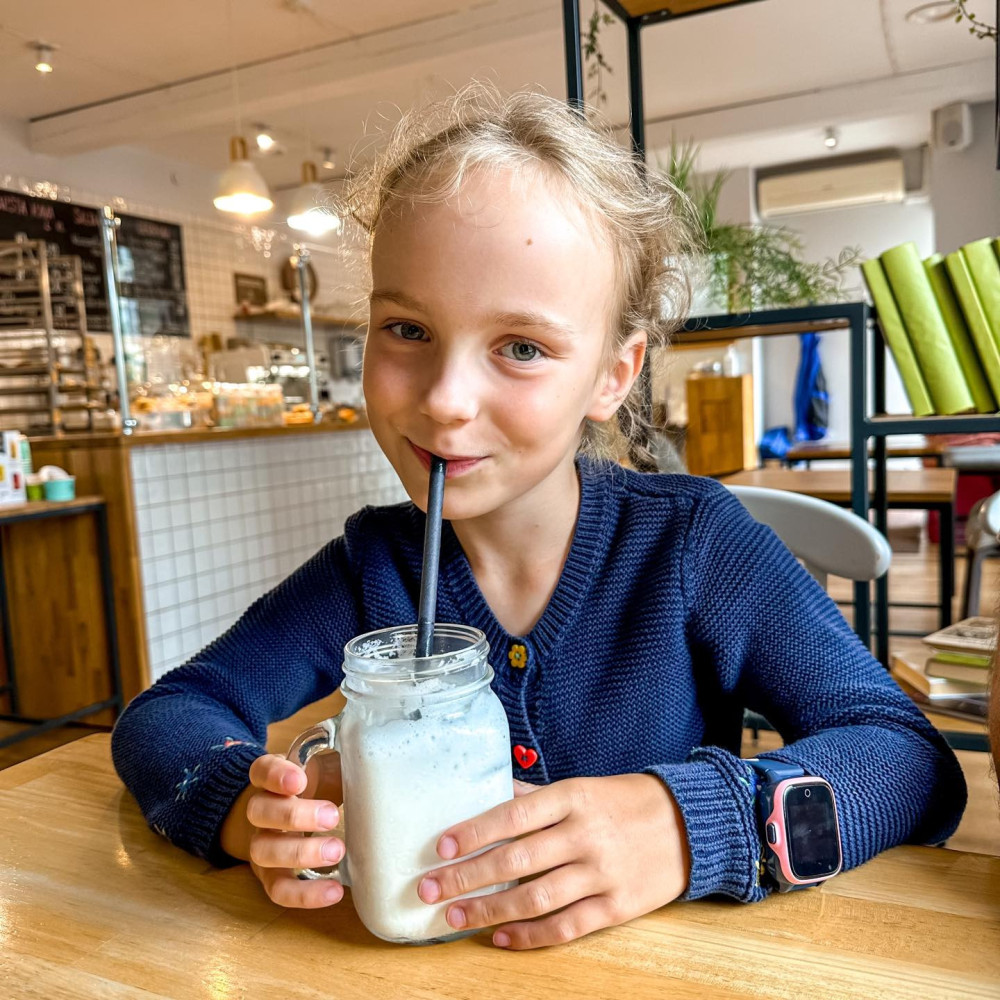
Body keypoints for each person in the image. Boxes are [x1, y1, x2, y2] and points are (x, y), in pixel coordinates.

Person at [112, 87, 966, 951]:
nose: (445, 402)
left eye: (521, 347)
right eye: (406, 328)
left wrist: (686, 825)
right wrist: (241, 811)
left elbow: (909, 760)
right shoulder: (371, 568)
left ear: (613, 373)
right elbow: (169, 711)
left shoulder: (691, 545)